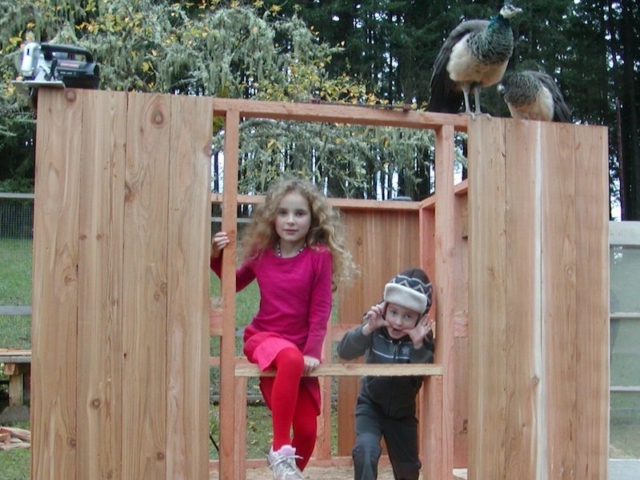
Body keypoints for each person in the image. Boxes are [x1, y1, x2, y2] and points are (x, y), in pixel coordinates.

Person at [210, 177, 356, 480]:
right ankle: (279, 449)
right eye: (283, 213)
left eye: (299, 213)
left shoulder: (319, 258)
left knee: (306, 430)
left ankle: (289, 474)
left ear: (312, 219)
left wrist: (313, 351)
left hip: (300, 349)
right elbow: (233, 284)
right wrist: (216, 257)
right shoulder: (262, 254)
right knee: (288, 358)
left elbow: (320, 308)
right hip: (263, 340)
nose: (291, 221)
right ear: (272, 217)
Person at [337, 268, 434, 480]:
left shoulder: (422, 340)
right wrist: (367, 329)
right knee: (366, 450)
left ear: (420, 319)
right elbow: (343, 352)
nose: (398, 322)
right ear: (384, 307)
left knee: (408, 468)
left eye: (408, 316)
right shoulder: (375, 330)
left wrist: (418, 345)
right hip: (370, 405)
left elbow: (421, 375)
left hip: (402, 413)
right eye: (394, 312)